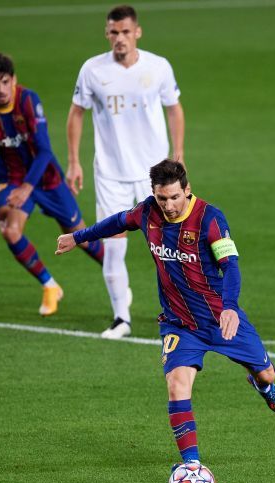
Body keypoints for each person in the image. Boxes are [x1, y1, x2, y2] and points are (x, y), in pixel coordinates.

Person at [56, 159, 275, 467]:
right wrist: (78, 236)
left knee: (267, 372)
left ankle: (263, 385)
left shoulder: (210, 219)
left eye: (175, 197)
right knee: (177, 386)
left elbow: (230, 266)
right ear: (154, 193)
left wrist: (230, 307)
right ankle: (192, 466)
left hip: (221, 320)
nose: (169, 205)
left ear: (187, 190)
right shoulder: (147, 212)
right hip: (179, 325)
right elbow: (117, 222)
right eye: (162, 198)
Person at [66, 4, 185, 338]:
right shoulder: (92, 70)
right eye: (113, 32)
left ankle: (180, 311)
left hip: (157, 177)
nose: (120, 38)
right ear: (107, 34)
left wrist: (179, 154)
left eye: (125, 32)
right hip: (111, 173)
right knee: (114, 246)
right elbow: (76, 113)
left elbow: (174, 109)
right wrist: (74, 161)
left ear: (137, 32)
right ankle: (122, 318)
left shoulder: (158, 67)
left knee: (170, 245)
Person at [0, 53, 104, 316]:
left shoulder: (28, 101)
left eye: (5, 82)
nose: (1, 89)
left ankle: (115, 276)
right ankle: (50, 285)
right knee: (10, 230)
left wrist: (26, 189)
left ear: (14, 80)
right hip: (12, 179)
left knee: (80, 236)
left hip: (46, 178)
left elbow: (44, 152)